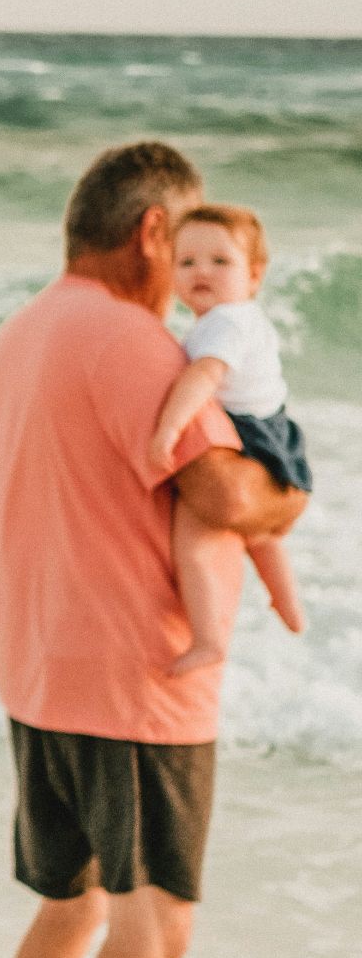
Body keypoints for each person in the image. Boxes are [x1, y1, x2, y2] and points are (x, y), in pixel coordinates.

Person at [0, 142, 307, 958]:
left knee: (70, 909)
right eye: (185, 245)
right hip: (136, 694)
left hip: (39, 680)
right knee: (155, 930)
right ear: (153, 231)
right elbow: (227, 495)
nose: (193, 274)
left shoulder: (19, 335)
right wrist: (295, 493)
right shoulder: (132, 343)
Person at [149, 204, 310, 674]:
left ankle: (209, 640)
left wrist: (168, 429)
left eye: (220, 261)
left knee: (193, 542)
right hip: (273, 431)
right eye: (186, 262)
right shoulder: (237, 319)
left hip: (249, 435)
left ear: (254, 275)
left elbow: (204, 377)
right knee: (259, 535)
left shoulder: (226, 321)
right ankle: (288, 606)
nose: (202, 271)